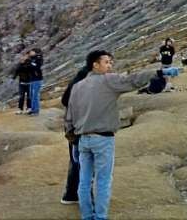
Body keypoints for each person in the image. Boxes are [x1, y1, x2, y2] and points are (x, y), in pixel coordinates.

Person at [65, 50, 179, 220]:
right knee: (103, 181)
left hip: (83, 140)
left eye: (111, 62)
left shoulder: (77, 86)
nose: (110, 65)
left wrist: (72, 138)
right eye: (106, 62)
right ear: (95, 65)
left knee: (84, 180)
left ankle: (87, 216)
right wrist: (159, 72)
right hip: (102, 139)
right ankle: (100, 217)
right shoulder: (108, 80)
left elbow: (70, 114)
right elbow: (132, 80)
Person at [59, 60, 92, 205]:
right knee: (86, 162)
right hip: (81, 130)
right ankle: (86, 197)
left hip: (74, 131)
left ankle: (71, 194)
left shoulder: (78, 81)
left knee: (76, 161)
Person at [28, 48, 44, 115]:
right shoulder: (31, 59)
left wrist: (31, 64)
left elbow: (37, 67)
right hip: (32, 79)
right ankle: (33, 109)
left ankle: (36, 110)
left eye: (31, 52)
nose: (30, 53)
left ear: (35, 52)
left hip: (37, 79)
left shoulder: (38, 58)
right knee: (31, 95)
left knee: (35, 95)